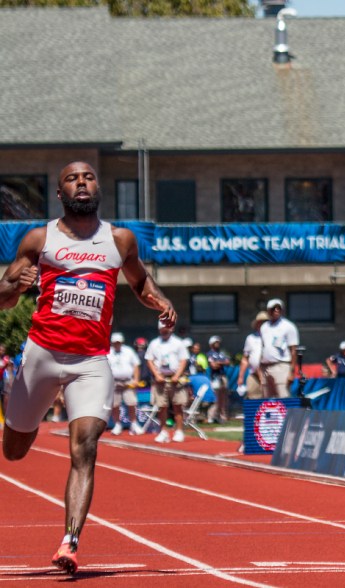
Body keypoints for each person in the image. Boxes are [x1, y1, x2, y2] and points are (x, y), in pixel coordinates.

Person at [0, 161, 176, 575]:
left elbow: (140, 283)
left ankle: (70, 541)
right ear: (60, 193)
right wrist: (15, 286)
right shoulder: (40, 238)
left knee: (86, 447)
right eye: (72, 179)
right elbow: (5, 295)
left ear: (98, 188)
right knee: (13, 451)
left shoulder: (120, 240)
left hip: (91, 361)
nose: (82, 182)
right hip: (41, 356)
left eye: (89, 177)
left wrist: (162, 302)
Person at [144, 322, 190, 444]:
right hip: (160, 378)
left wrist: (177, 375)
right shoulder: (154, 343)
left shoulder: (178, 343)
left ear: (171, 329)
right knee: (161, 406)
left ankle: (179, 431)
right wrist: (157, 375)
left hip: (175, 378)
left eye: (166, 329)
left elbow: (183, 360)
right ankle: (163, 431)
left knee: (177, 405)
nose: (164, 331)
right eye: (162, 329)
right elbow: (149, 360)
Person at [259, 298, 300, 398]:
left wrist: (291, 371)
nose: (276, 310)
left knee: (283, 396)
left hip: (281, 365)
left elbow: (294, 350)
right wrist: (260, 368)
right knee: (267, 398)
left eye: (279, 308)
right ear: (268, 311)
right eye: (273, 308)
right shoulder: (264, 327)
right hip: (265, 367)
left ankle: (287, 414)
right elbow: (262, 348)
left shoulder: (288, 326)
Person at [107, 333, 143, 436]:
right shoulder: (108, 353)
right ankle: (117, 424)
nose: (117, 344)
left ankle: (134, 423)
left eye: (118, 342)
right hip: (114, 381)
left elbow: (136, 365)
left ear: (122, 342)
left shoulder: (129, 351)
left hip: (128, 381)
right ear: (112, 343)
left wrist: (136, 379)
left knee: (131, 403)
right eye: (115, 343)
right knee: (115, 404)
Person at [238, 311, 269, 399]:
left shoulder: (272, 337)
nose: (263, 324)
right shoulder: (250, 338)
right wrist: (240, 377)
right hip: (253, 374)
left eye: (265, 322)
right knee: (252, 398)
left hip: (268, 374)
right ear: (257, 324)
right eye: (261, 322)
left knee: (269, 399)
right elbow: (245, 359)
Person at [206, 335, 231, 423]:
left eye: (218, 342)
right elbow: (213, 366)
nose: (217, 344)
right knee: (216, 398)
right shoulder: (209, 353)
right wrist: (221, 363)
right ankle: (211, 416)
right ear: (211, 344)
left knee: (224, 398)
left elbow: (228, 362)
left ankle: (223, 416)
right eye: (215, 342)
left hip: (222, 376)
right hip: (215, 377)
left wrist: (219, 362)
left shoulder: (222, 352)